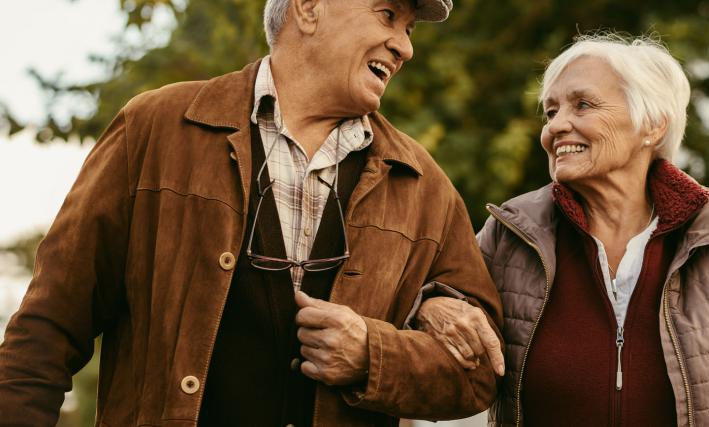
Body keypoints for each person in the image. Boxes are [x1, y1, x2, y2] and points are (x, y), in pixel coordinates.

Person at [0, 0, 503, 425]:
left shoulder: (424, 186)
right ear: (308, 8)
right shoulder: (154, 128)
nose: (405, 46)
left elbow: (481, 372)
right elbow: (45, 331)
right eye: (388, 15)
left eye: (409, 30)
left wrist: (374, 354)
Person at [428, 34, 709, 426]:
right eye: (551, 111)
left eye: (583, 105)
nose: (555, 127)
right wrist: (429, 306)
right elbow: (429, 310)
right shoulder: (512, 233)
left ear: (653, 126)